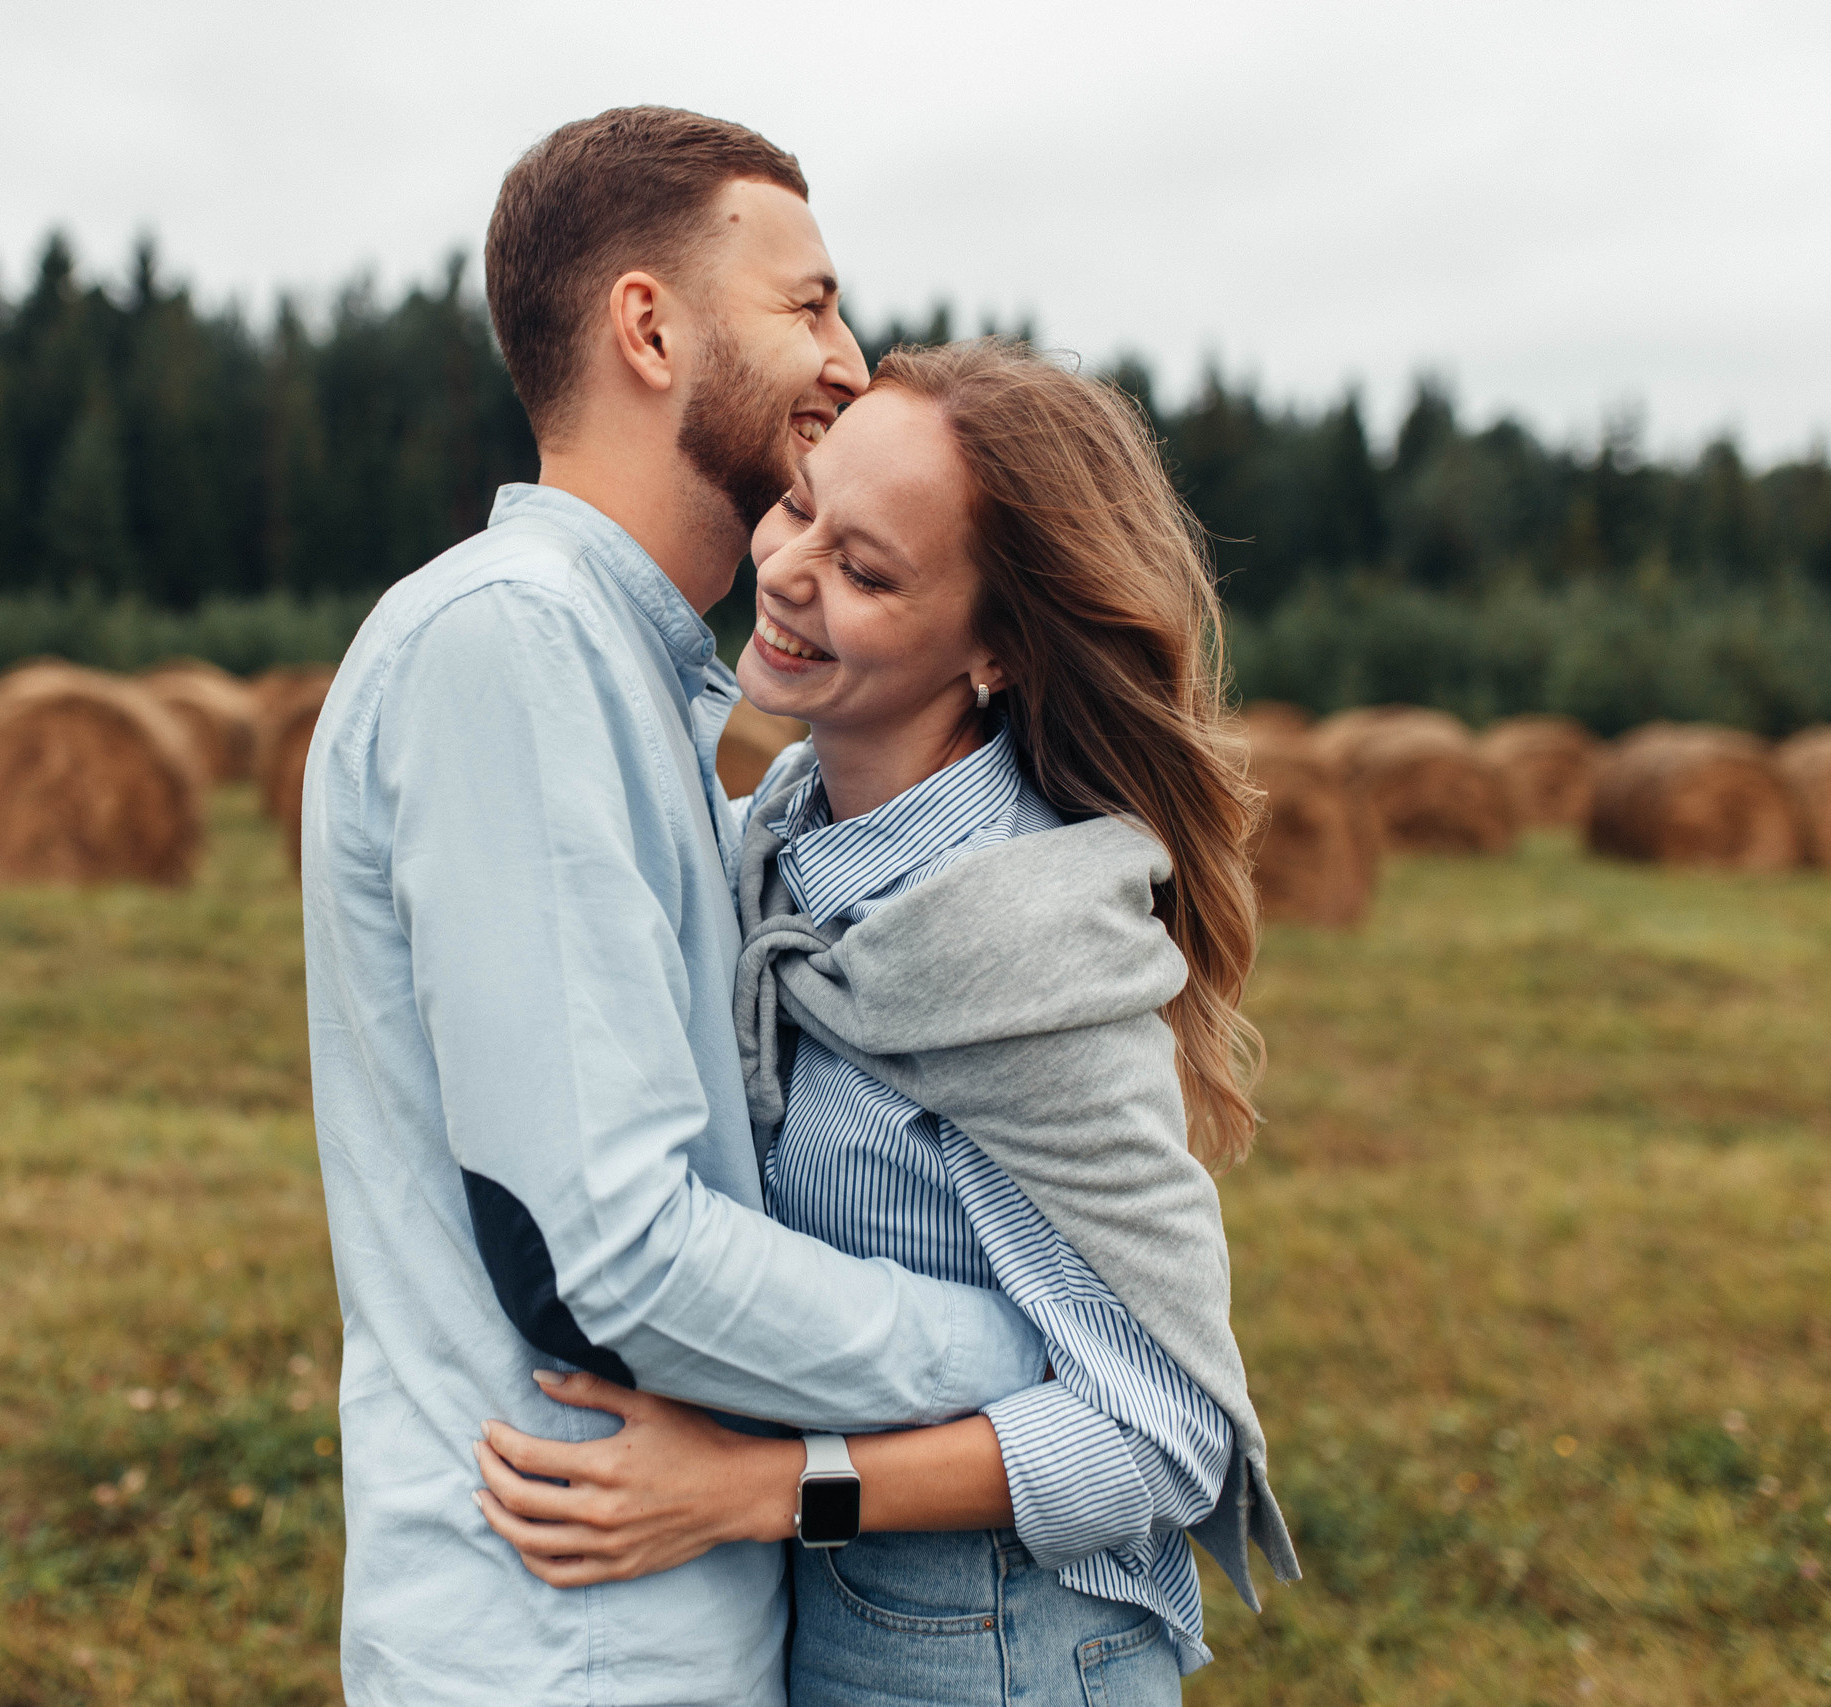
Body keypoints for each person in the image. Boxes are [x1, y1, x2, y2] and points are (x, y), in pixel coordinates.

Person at [298, 110, 1058, 1707]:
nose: (852, 361)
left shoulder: (630, 677)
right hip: (562, 1644)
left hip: (644, 1626)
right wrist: (1025, 1348)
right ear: (649, 326)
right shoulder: (514, 648)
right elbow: (611, 1258)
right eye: (809, 306)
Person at [473, 340, 1300, 1703]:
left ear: (994, 647)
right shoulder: (781, 841)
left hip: (997, 1637)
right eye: (799, 505)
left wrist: (759, 1490)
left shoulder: (1017, 951)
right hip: (834, 1599)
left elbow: (1160, 1436)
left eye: (868, 571)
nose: (790, 571)